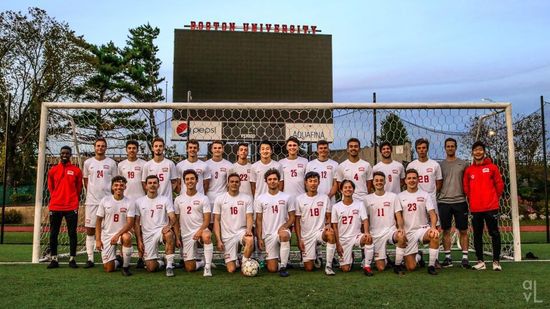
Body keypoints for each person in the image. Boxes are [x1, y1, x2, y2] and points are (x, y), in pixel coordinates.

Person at [463, 141, 504, 271]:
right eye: (475, 150)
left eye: (480, 149)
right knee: (477, 235)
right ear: (472, 152)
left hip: (491, 207)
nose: (478, 152)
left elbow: (499, 185)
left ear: (484, 151)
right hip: (476, 208)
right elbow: (466, 188)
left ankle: (496, 261)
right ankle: (480, 261)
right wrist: (473, 199)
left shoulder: (492, 167)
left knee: (494, 233)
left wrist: (493, 199)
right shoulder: (469, 170)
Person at [83, 137, 118, 268]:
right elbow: (86, 181)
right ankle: (90, 258)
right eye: (98, 145)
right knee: (90, 229)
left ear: (106, 148)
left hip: (108, 201)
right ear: (94, 147)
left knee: (110, 229)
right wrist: (93, 193)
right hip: (92, 201)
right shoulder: (88, 163)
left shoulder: (112, 163)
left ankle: (113, 256)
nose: (100, 148)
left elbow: (115, 182)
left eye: (103, 146)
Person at [46, 146, 82, 269]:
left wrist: (72, 199)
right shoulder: (53, 170)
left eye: (67, 153)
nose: (64, 155)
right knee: (53, 233)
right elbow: (50, 188)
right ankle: (54, 259)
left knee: (72, 233)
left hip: (71, 206)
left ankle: (72, 259)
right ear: (60, 154)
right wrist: (57, 197)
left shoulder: (76, 170)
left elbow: (78, 189)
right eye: (62, 153)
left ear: (70, 155)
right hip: (55, 206)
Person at [398, 169, 440, 275]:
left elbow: (432, 214)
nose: (412, 180)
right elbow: (398, 216)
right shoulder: (399, 196)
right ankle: (419, 256)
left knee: (434, 235)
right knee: (411, 267)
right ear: (405, 181)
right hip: (408, 232)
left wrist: (433, 227)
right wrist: (400, 230)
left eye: (414, 178)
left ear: (418, 180)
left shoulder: (425, 195)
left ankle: (431, 266)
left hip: (422, 229)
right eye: (409, 178)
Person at [134, 175, 177, 277]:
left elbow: (173, 217)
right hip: (147, 234)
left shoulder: (165, 200)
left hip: (160, 231)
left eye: (154, 183)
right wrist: (139, 240)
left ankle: (169, 266)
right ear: (146, 186)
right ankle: (161, 262)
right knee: (151, 268)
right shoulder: (139, 202)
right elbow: (136, 223)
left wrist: (169, 226)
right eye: (150, 183)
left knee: (169, 234)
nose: (152, 185)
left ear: (158, 185)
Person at [295, 171, 336, 275]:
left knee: (330, 234)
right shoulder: (299, 199)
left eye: (315, 181)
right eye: (310, 181)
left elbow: (328, 217)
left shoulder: (325, 198)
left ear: (319, 182)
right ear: (306, 183)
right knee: (309, 268)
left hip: (319, 232)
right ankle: (316, 253)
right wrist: (299, 239)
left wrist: (328, 226)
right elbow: (297, 221)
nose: (313, 183)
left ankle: (328, 266)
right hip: (307, 235)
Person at [255, 168, 295, 277]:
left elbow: (292, 217)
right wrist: (259, 238)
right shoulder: (260, 199)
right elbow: (258, 220)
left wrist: (284, 226)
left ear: (278, 181)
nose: (272, 181)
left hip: (281, 231)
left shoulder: (287, 197)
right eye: (270, 179)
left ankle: (283, 266)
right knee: (272, 269)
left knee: (284, 234)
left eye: (275, 179)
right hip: (268, 235)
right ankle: (278, 261)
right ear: (266, 181)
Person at [173, 169, 214, 276]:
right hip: (186, 234)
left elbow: (207, 220)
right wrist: (177, 237)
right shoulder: (178, 199)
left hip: (200, 230)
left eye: (192, 179)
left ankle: (208, 267)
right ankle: (201, 262)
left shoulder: (203, 198)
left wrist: (200, 231)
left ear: (197, 181)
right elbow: (176, 221)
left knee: (207, 236)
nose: (190, 181)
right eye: (187, 179)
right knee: (190, 268)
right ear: (184, 182)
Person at [364, 171, 406, 274]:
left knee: (401, 236)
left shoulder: (393, 197)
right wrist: (366, 232)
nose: (379, 182)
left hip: (390, 231)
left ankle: (397, 265)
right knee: (381, 268)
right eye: (376, 180)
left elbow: (398, 215)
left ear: (385, 182)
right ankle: (385, 259)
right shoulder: (367, 199)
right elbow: (366, 219)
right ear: (373, 182)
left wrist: (400, 228)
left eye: (381, 180)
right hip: (376, 234)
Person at [213, 173, 254, 273]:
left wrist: (248, 230)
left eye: (236, 182)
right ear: (227, 183)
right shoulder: (220, 199)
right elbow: (216, 220)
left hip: (241, 231)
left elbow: (249, 217)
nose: (234, 184)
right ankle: (237, 259)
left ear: (240, 184)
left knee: (250, 240)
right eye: (232, 182)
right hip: (227, 236)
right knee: (231, 270)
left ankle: (244, 264)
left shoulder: (246, 198)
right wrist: (218, 240)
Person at [438, 138, 470, 268]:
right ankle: (447, 257)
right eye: (448, 146)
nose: (450, 148)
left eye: (452, 146)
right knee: (446, 230)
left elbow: (468, 182)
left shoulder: (463, 164)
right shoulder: (440, 165)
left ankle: (465, 257)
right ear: (445, 148)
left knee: (463, 230)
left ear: (456, 148)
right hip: (444, 201)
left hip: (460, 201)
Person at [331, 180, 374, 275]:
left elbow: (365, 220)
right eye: (345, 187)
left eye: (350, 187)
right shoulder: (336, 207)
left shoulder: (359, 204)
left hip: (356, 236)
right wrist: (338, 244)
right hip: (343, 239)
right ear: (341, 190)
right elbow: (335, 227)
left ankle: (367, 266)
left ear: (353, 190)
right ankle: (350, 256)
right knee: (345, 269)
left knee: (368, 239)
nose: (348, 189)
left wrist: (366, 232)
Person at [95, 176, 135, 276]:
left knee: (127, 237)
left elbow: (130, 223)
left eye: (122, 185)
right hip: (107, 235)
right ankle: (118, 261)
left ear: (125, 187)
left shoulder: (129, 202)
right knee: (109, 268)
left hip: (121, 234)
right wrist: (98, 240)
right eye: (116, 185)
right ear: (112, 187)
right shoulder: (105, 200)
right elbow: (98, 221)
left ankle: (125, 267)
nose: (119, 187)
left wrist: (117, 235)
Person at [118, 140, 147, 268]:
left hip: (140, 200)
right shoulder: (121, 165)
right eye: (129, 148)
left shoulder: (143, 164)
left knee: (140, 230)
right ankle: (121, 256)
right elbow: (118, 183)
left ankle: (141, 257)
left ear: (137, 150)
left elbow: (145, 183)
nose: (131, 150)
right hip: (125, 202)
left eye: (134, 148)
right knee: (123, 229)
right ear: (126, 150)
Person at [406, 138, 442, 215]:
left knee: (434, 223)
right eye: (419, 148)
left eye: (423, 148)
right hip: (416, 199)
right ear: (416, 150)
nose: (421, 150)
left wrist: (432, 193)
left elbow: (439, 183)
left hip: (431, 198)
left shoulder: (435, 165)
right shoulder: (411, 165)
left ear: (427, 149)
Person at [206, 140, 233, 212]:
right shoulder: (206, 165)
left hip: (223, 197)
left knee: (223, 221)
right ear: (211, 150)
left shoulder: (229, 165)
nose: (217, 150)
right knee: (210, 221)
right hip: (209, 197)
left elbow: (230, 184)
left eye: (219, 148)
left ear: (223, 149)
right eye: (215, 148)